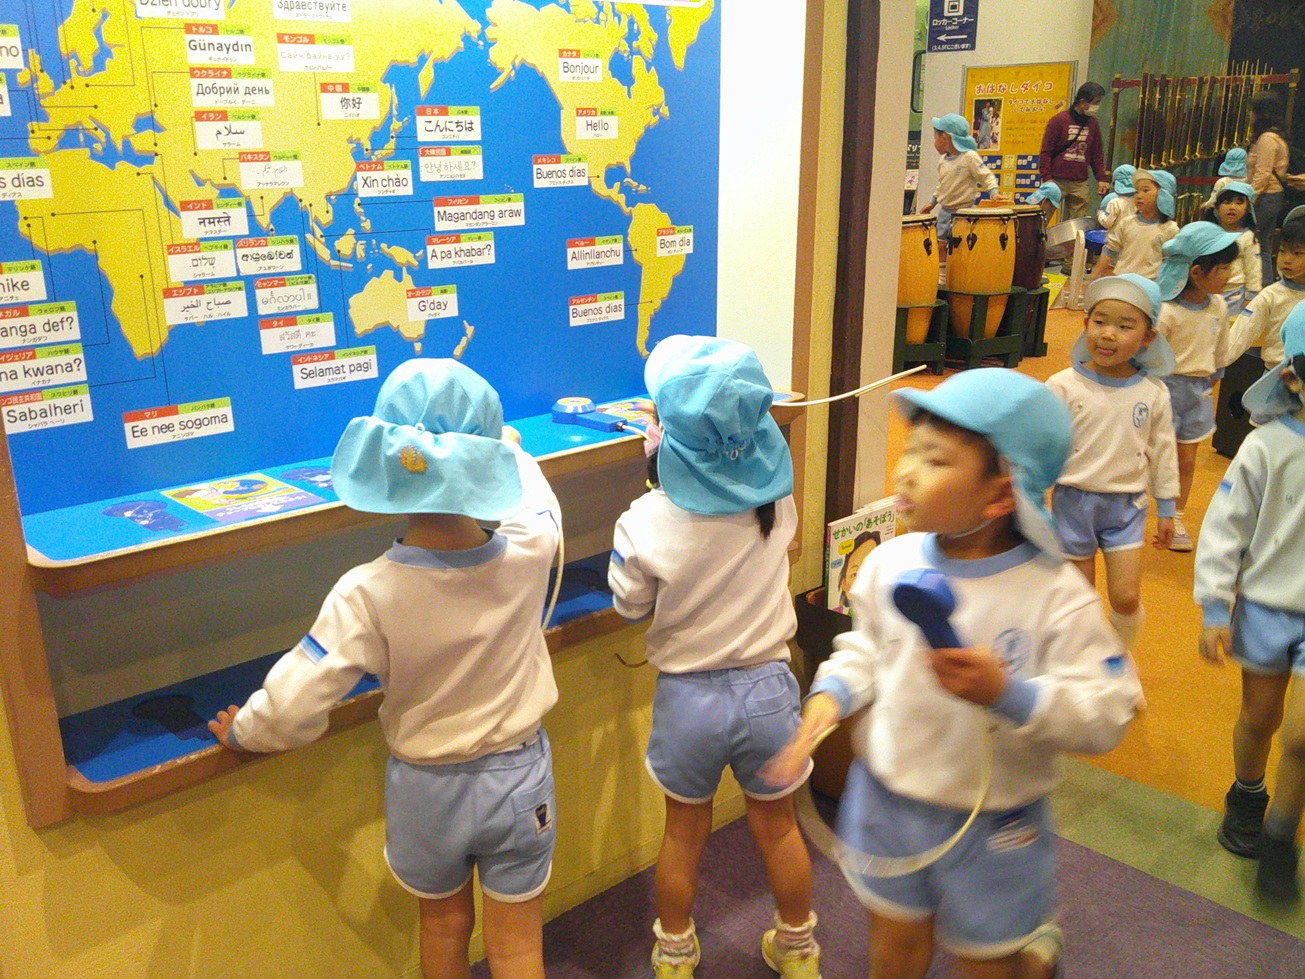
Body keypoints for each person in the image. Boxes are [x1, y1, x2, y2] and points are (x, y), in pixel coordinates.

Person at [765, 369, 1143, 979]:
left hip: (997, 825)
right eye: (910, 450)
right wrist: (828, 699)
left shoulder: (1056, 595)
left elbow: (1110, 708)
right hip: (888, 803)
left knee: (986, 962)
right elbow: (867, 649)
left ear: (1000, 497)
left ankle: (1025, 953)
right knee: (893, 953)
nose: (906, 472)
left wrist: (1010, 695)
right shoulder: (888, 562)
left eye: (935, 459)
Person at [208, 360, 562, 979]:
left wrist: (246, 732)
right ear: (486, 466)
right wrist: (509, 449)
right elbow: (537, 502)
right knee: (517, 947)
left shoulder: (365, 593)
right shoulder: (533, 551)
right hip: (518, 778)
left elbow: (292, 701)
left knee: (443, 926)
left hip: (426, 790)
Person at [608, 336, 821, 979]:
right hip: (770, 693)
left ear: (664, 435)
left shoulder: (643, 519)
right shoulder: (776, 500)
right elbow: (778, 547)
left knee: (683, 833)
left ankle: (675, 952)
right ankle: (798, 950)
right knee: (779, 829)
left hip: (689, 699)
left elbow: (629, 605)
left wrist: (655, 481)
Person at [1195, 303, 1305, 904]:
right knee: (1260, 720)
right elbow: (1224, 529)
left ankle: (1281, 838)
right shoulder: (1266, 447)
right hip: (1266, 605)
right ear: (1293, 376)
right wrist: (1215, 606)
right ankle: (1247, 793)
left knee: (1303, 738)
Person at [1046, 275, 1179, 649]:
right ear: (1085, 323)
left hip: (1127, 507)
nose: (1108, 334)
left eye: (1125, 326)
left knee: (1126, 597)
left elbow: (1163, 451)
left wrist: (1167, 508)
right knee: (1079, 600)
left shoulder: (1153, 392)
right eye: (1100, 322)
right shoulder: (1062, 385)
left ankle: (1120, 660)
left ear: (1148, 337)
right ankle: (1082, 663)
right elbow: (1040, 444)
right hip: (1072, 502)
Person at [1151, 222, 1241, 552]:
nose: (1230, 275)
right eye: (1223, 269)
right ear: (1197, 272)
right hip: (1160, 389)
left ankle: (1175, 516)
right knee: (1143, 454)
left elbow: (1220, 350)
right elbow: (1148, 357)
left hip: (1196, 393)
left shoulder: (1219, 306)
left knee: (1186, 461)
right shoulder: (1167, 312)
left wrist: (1212, 377)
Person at [1224, 206, 1305, 373]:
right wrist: (1213, 366)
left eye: (1297, 253)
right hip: (1277, 377)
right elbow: (1239, 336)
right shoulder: (1271, 295)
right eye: (1283, 251)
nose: (1287, 259)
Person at [920, 113, 1004, 246]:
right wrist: (932, 202)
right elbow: (942, 185)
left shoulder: (969, 157)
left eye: (935, 137)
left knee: (961, 246)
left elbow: (985, 175)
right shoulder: (943, 161)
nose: (934, 141)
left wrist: (993, 192)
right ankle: (943, 260)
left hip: (965, 213)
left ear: (945, 138)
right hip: (945, 211)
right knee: (940, 243)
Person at [1090, 169, 1179, 282]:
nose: (1138, 196)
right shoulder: (1127, 223)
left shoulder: (1170, 229)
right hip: (1122, 282)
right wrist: (1095, 275)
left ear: (1163, 195)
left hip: (1149, 285)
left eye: (1145, 190)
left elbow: (1171, 263)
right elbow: (1110, 249)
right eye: (1136, 191)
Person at [1039, 81, 1111, 219]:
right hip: (1056, 180)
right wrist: (1046, 178)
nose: (1097, 107)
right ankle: (1036, 234)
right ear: (1082, 102)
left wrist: (1101, 178)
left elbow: (1096, 154)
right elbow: (1046, 152)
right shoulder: (1058, 120)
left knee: (1079, 222)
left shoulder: (1093, 123)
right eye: (1095, 102)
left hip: (1080, 182)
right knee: (1042, 217)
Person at [1246, 91, 1290, 285]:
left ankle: (1257, 285)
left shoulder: (1267, 139)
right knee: (1262, 244)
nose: (1250, 116)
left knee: (1254, 242)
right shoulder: (1273, 137)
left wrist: (1248, 198)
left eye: (1253, 111)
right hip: (1270, 196)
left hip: (1265, 197)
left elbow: (1262, 175)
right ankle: (1263, 285)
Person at [1203, 181, 1261, 318]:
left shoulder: (1248, 237)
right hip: (1206, 292)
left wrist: (1251, 296)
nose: (1232, 207)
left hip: (1234, 295)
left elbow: (1254, 269)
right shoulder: (1206, 233)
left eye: (1239, 203)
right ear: (1216, 207)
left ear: (1247, 210)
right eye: (1227, 202)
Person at [1096, 164, 1137, 231]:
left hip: (1115, 237)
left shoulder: (1114, 203)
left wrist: (1100, 213)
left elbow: (1106, 222)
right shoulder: (1139, 202)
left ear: (1115, 184)